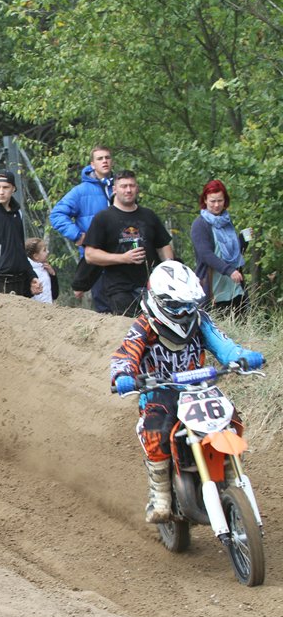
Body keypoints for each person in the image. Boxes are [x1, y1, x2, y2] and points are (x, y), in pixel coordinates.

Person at [110, 260, 264, 523]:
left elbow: (224, 346)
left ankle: (230, 475)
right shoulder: (144, 326)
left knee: (232, 419)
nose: (183, 312)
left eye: (189, 304)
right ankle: (160, 494)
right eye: (176, 306)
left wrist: (242, 356)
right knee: (156, 430)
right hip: (159, 392)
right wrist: (124, 376)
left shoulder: (200, 320)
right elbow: (126, 354)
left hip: (199, 388)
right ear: (158, 301)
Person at [83, 170, 173, 316]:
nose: (128, 190)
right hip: (119, 289)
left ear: (137, 188)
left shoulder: (149, 215)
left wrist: (169, 267)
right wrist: (123, 258)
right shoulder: (103, 218)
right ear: (115, 189)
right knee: (130, 326)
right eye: (124, 186)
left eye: (131, 186)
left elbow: (163, 245)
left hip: (152, 286)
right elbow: (90, 255)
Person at [49, 146, 115, 312]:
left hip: (123, 257)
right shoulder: (81, 191)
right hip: (97, 260)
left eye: (107, 157)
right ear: (92, 164)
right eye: (100, 158)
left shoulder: (121, 187)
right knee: (105, 311)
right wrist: (78, 235)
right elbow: (56, 215)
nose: (104, 161)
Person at [190, 179, 248, 315]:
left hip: (234, 288)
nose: (216, 205)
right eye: (212, 201)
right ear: (205, 200)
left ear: (225, 201)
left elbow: (233, 253)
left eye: (220, 201)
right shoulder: (200, 224)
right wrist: (229, 271)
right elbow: (206, 255)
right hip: (213, 290)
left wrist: (243, 240)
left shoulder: (227, 222)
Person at [26, 237, 59, 304]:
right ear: (36, 256)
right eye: (44, 250)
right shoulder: (28, 272)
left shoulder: (46, 269)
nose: (48, 252)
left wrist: (53, 275)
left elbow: (55, 294)